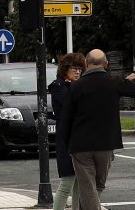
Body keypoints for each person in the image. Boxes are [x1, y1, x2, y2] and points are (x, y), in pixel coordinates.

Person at [60, 49, 135, 210]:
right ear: (106, 64)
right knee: (98, 185)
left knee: (87, 186)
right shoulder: (113, 82)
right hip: (105, 144)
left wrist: (69, 144)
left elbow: (66, 120)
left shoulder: (76, 87)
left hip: (81, 145)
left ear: (86, 64)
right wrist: (133, 80)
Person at [49, 53, 86, 210]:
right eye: (74, 69)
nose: (77, 72)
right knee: (66, 183)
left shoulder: (78, 86)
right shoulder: (59, 87)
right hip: (66, 139)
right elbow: (71, 108)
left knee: (80, 183)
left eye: (80, 69)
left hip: (80, 139)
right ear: (65, 69)